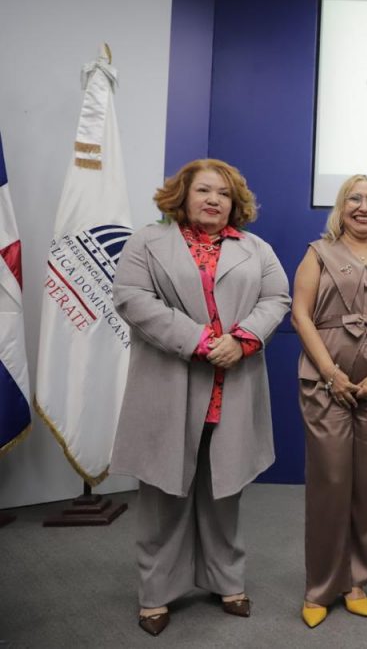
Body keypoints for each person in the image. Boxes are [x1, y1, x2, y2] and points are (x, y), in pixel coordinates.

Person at [110, 158, 290, 637]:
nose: (214, 200)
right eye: (204, 190)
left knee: (224, 491)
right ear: (182, 195)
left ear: (235, 203)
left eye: (224, 194)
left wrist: (243, 339)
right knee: (163, 493)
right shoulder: (147, 242)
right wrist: (200, 340)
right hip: (169, 381)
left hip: (232, 385)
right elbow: (131, 297)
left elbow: (276, 299)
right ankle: (155, 593)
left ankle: (226, 581)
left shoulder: (256, 248)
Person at [292, 174, 367, 628]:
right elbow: (300, 314)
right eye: (355, 199)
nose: (364, 206)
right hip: (325, 383)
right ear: (341, 208)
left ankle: (356, 579)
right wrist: (330, 372)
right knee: (331, 480)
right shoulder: (317, 253)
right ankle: (321, 585)